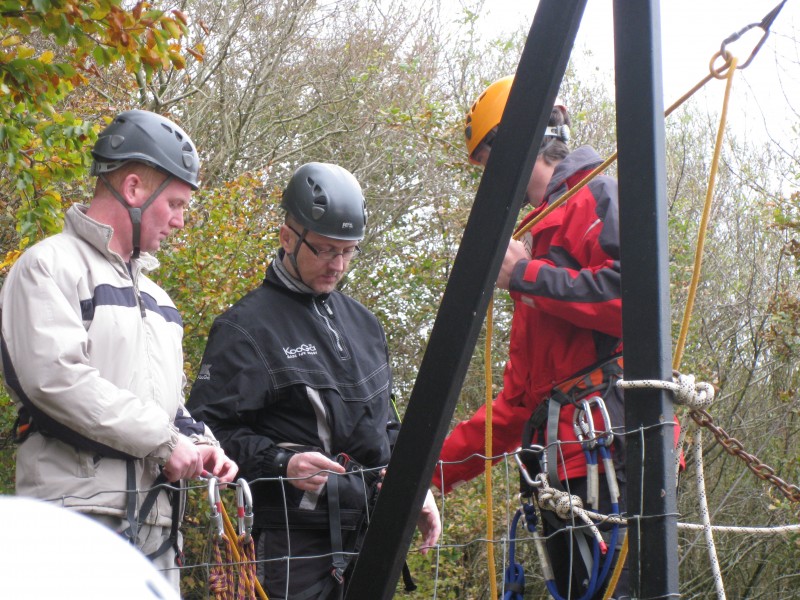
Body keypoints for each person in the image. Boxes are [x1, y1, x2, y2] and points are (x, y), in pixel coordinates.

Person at [0, 109, 238, 591]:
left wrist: (202, 443)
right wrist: (166, 443)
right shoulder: (48, 267)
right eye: (174, 203)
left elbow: (165, 405)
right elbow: (57, 379)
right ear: (133, 189)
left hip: (155, 530)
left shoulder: (159, 299)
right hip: (74, 526)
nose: (180, 221)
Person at [186, 162, 441, 600]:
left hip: (371, 535)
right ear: (288, 237)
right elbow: (206, 435)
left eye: (348, 251)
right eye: (324, 250)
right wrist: (282, 465)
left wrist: (415, 487)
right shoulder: (244, 329)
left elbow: (385, 425)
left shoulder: (364, 323)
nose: (337, 265)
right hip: (292, 544)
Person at [433, 76, 628, 599]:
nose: (487, 180)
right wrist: (431, 473)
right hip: (560, 466)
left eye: (485, 163)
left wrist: (528, 277)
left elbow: (632, 302)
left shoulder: (599, 193)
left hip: (614, 451)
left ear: (512, 146)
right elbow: (520, 403)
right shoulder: (537, 233)